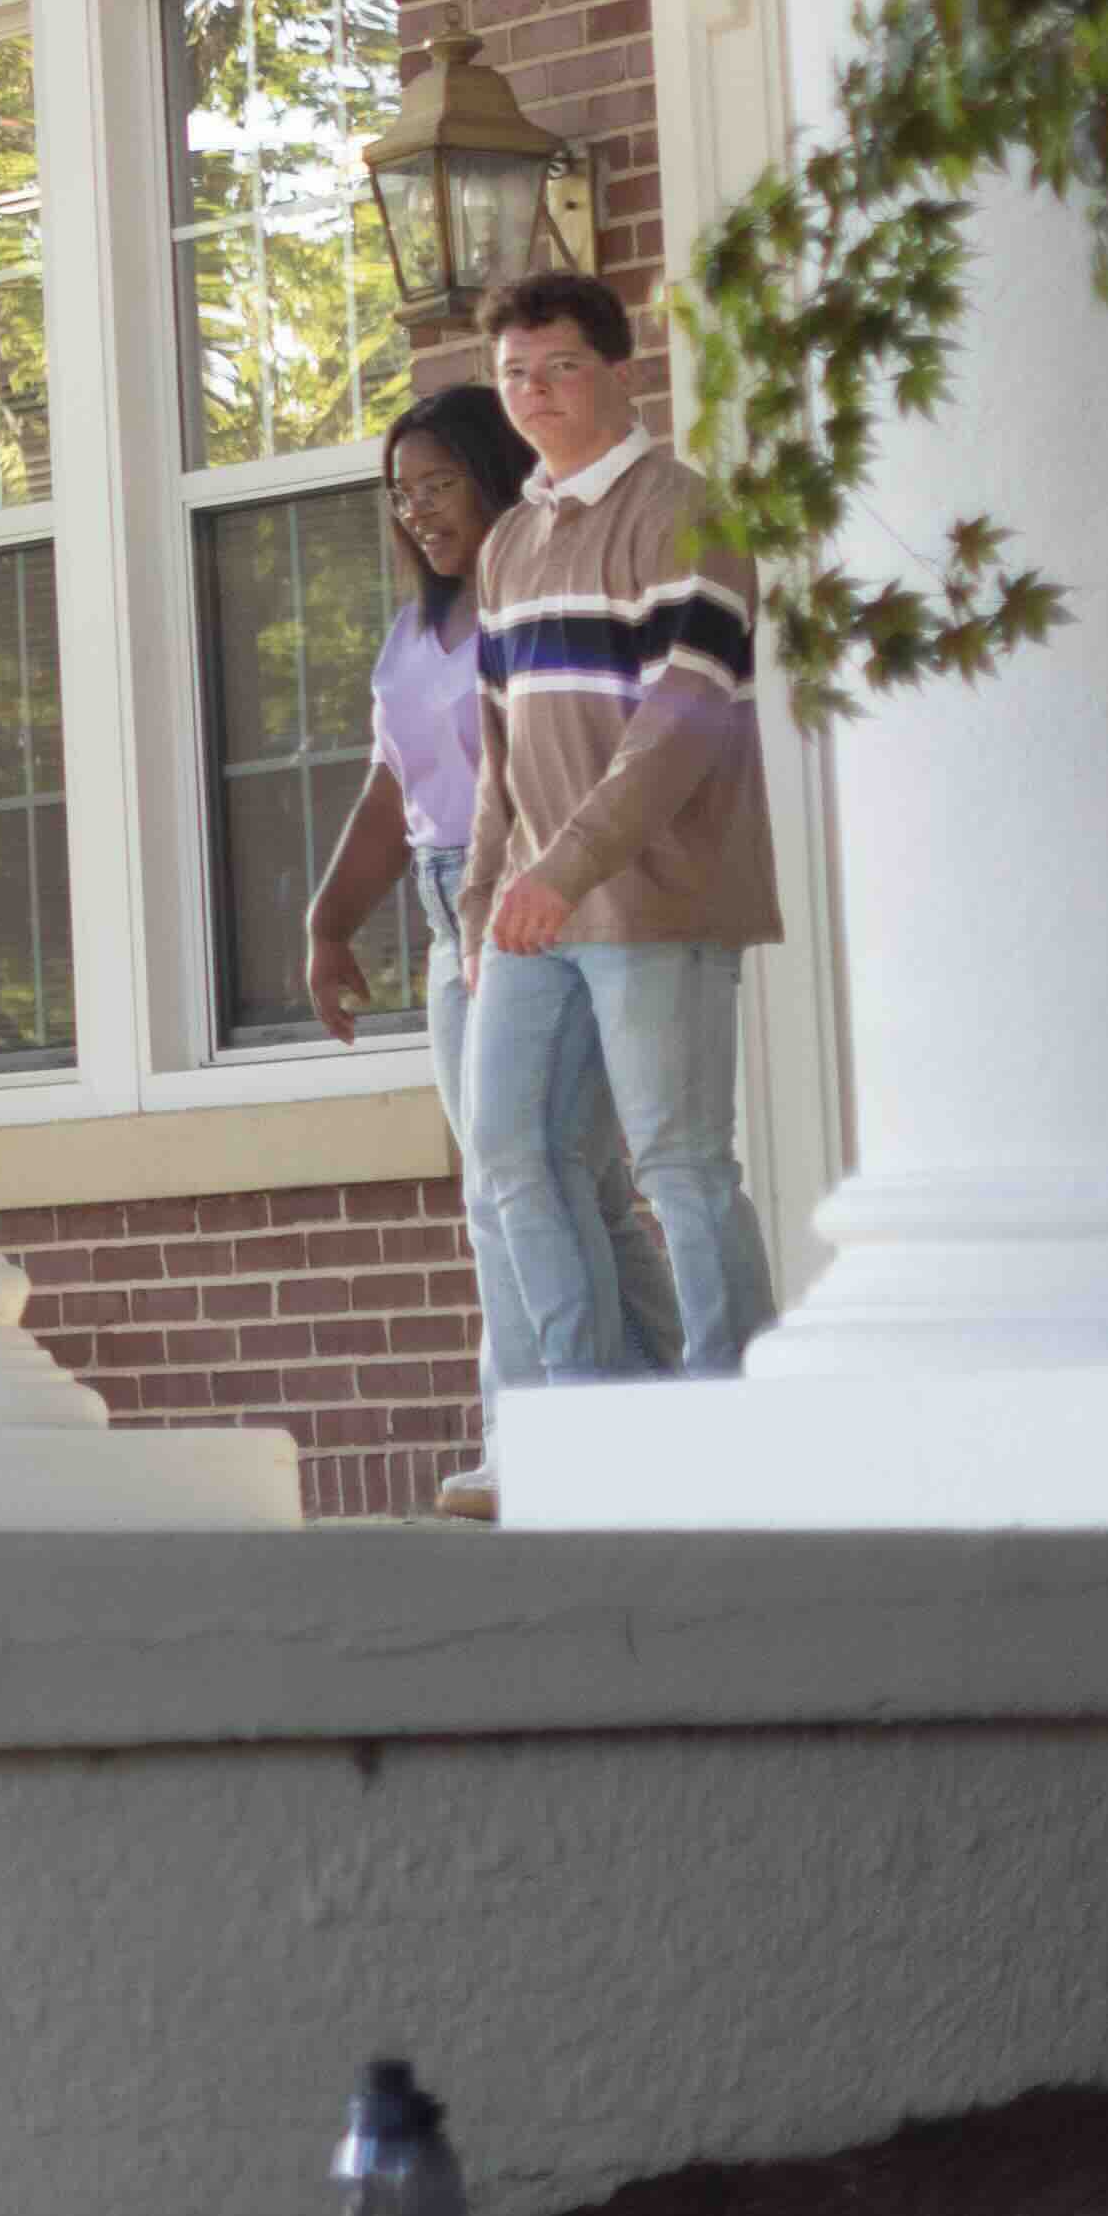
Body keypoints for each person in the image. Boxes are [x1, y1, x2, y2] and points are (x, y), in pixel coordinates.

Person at [460, 273, 784, 1382]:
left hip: (656, 896)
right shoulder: (508, 543)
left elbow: (682, 719)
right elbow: (497, 752)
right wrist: (483, 901)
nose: (534, 391)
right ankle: (580, 1407)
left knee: (680, 1162)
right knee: (511, 1153)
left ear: (618, 371)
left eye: (560, 366)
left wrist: (565, 866)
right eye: (514, 373)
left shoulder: (685, 512)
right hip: (529, 911)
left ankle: (731, 1401)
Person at [304, 381, 600, 1456]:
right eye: (401, 492)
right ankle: (622, 1409)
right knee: (529, 1180)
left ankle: (555, 1434)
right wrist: (329, 922)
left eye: (437, 484)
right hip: (444, 917)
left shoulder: (537, 605)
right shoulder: (412, 631)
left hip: (525, 901)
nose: (416, 509)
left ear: (492, 475)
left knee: (520, 1173)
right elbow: (393, 787)